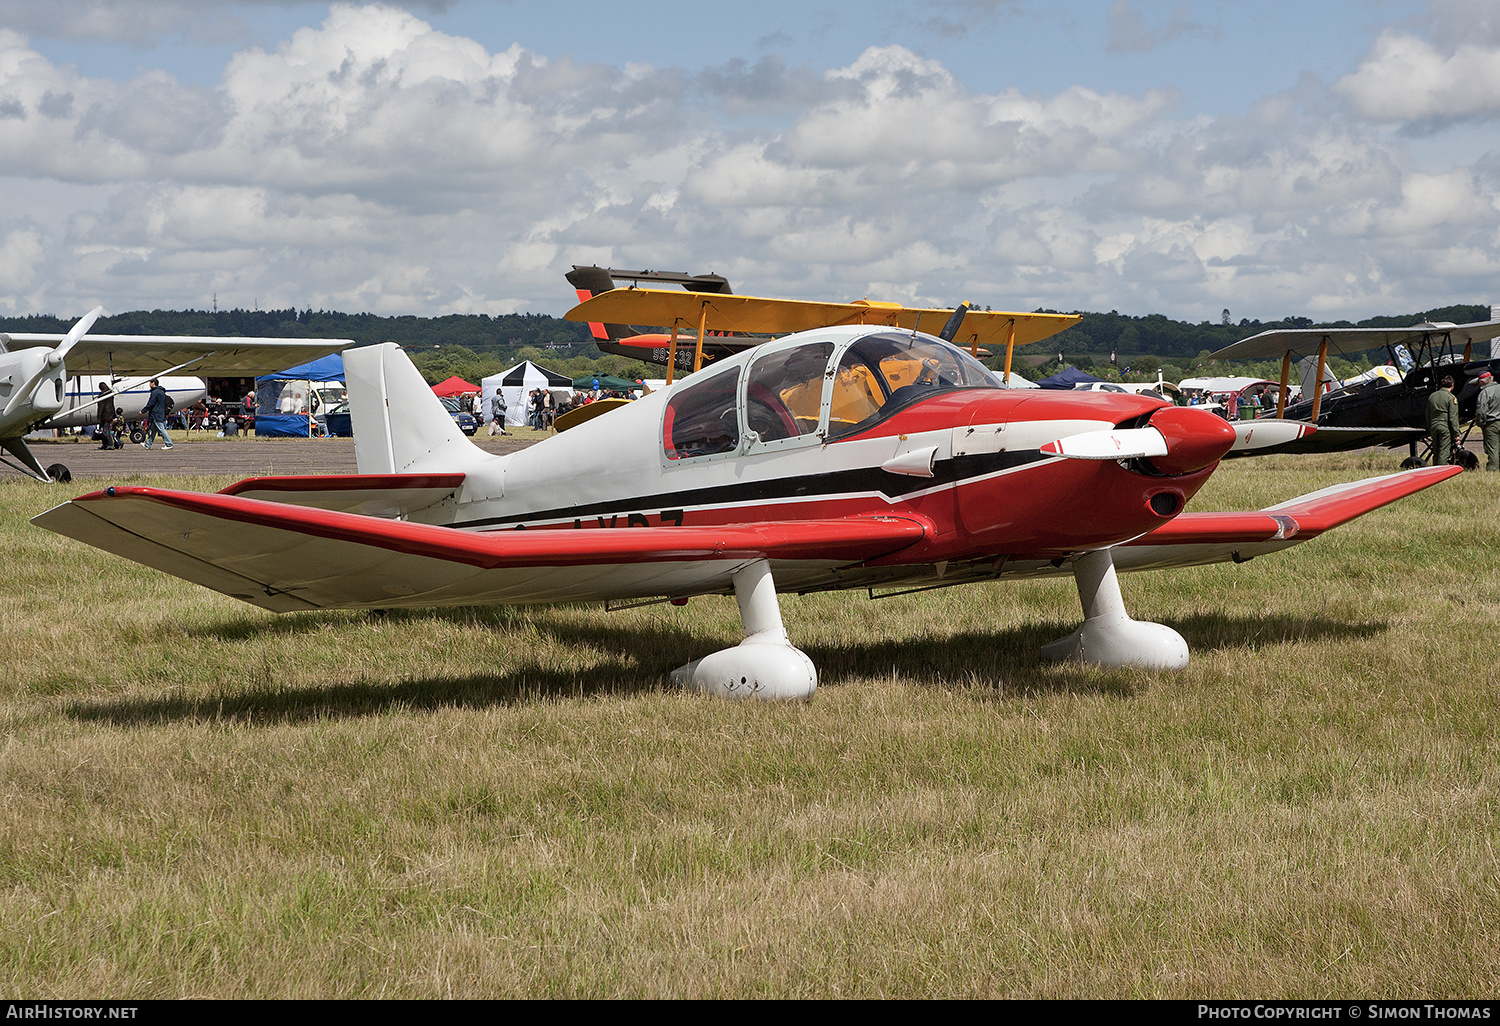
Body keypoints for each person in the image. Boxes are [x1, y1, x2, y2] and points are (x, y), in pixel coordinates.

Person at [1426, 374, 1460, 465]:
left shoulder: (1432, 396)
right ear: (1452, 385)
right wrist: (1456, 433)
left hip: (1433, 426)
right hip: (1444, 427)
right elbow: (1453, 417)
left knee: (1436, 450)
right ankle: (1441, 470)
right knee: (1444, 451)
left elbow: (1428, 415)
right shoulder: (1451, 398)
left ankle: (1434, 469)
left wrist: (1430, 427)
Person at [1475, 369, 1500, 472]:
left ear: (1483, 381)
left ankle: (1493, 470)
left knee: (1492, 448)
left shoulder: (1484, 392)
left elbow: (1481, 411)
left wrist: (1480, 423)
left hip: (1492, 423)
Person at [142, 378, 174, 449]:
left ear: (153, 383)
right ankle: (148, 444)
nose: (149, 384)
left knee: (161, 429)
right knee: (153, 430)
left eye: (150, 383)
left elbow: (151, 403)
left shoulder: (155, 392)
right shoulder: (161, 392)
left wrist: (143, 410)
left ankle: (169, 444)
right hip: (160, 413)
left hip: (156, 413)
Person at [96, 382, 118, 450]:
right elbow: (112, 405)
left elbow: (101, 407)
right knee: (106, 430)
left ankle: (110, 444)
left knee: (106, 431)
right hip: (110, 414)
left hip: (105, 415)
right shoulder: (110, 393)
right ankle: (105, 444)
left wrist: (99, 417)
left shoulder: (103, 395)